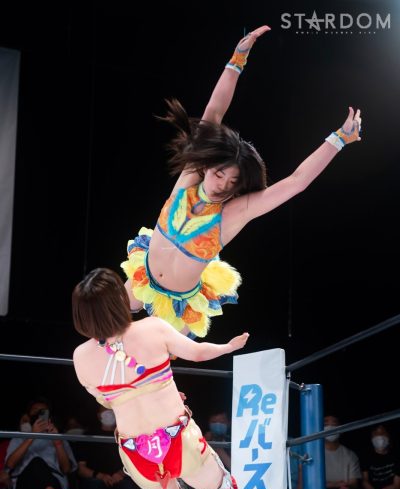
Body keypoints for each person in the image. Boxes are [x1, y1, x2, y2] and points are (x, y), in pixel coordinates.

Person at [121, 25, 362, 338]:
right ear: (207, 165)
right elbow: (214, 111)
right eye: (219, 174)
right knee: (107, 327)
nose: (221, 184)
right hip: (145, 277)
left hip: (180, 305)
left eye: (231, 183)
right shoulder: (190, 176)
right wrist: (237, 59)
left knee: (153, 356)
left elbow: (296, 182)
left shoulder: (233, 213)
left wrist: (339, 139)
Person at [72, 268, 249, 489]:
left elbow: (107, 398)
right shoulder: (151, 327)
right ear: (119, 300)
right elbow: (197, 352)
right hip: (178, 440)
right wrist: (227, 347)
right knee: (220, 486)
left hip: (136, 454)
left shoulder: (81, 357)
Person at [5, 400, 77, 489]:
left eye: (42, 411)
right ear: (29, 415)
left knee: (42, 485)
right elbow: (10, 464)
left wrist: (57, 441)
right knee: (36, 463)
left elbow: (66, 469)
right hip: (23, 483)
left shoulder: (58, 437)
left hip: (54, 481)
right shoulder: (19, 436)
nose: (38, 413)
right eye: (35, 410)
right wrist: (32, 435)